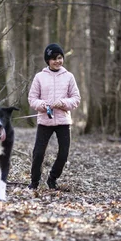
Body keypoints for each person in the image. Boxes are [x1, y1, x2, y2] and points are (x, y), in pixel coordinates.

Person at [28, 43, 81, 190]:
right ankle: (34, 182)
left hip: (63, 121)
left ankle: (52, 179)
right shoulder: (39, 77)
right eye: (53, 59)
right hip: (45, 121)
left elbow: (76, 98)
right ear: (47, 61)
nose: (57, 61)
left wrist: (62, 102)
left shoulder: (69, 77)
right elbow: (32, 99)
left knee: (63, 154)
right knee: (38, 153)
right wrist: (43, 105)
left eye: (59, 58)